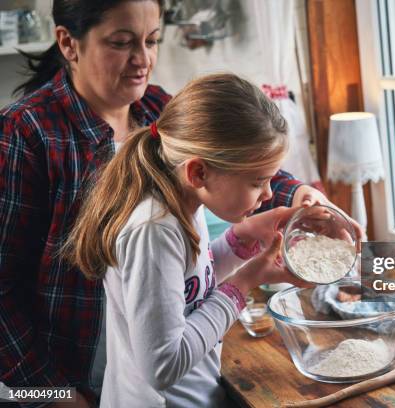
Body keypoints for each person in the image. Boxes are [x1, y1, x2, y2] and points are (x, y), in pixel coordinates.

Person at [0, 0, 358, 406]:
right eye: (121, 42)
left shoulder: (157, 110)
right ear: (68, 42)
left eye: (152, 40)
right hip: (69, 378)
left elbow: (234, 162)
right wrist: (53, 395)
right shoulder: (25, 133)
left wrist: (294, 198)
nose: (143, 59)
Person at [65, 73, 306, 407]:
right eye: (257, 181)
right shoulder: (153, 229)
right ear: (199, 172)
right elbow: (164, 365)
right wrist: (245, 282)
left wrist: (240, 241)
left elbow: (190, 287)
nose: (267, 194)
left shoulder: (185, 200)